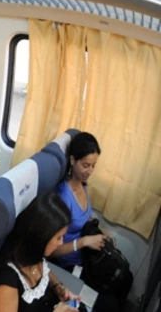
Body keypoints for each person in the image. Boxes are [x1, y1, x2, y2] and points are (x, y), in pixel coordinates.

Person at [51, 132, 133, 312]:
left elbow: (82, 217)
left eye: (93, 166)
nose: (90, 171)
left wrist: (102, 229)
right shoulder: (63, 197)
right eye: (85, 165)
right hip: (70, 264)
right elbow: (52, 250)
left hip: (86, 256)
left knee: (126, 277)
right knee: (108, 304)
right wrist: (83, 242)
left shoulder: (82, 185)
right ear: (72, 160)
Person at [0, 191, 81, 312]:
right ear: (42, 236)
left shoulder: (34, 255)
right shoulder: (5, 279)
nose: (61, 243)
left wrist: (58, 287)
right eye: (58, 238)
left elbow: (45, 272)